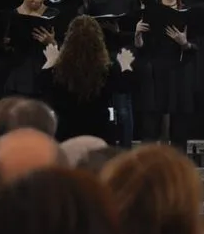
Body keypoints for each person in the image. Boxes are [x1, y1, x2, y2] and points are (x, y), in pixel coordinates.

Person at [38, 16, 135, 144]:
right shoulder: (107, 70)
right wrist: (125, 64)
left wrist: (50, 61)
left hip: (65, 135)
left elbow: (42, 88)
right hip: (100, 133)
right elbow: (124, 87)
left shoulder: (59, 70)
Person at [135, 0, 199, 146]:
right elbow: (141, 49)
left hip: (179, 73)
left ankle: (179, 169)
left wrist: (184, 43)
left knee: (179, 129)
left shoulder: (189, 14)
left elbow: (197, 47)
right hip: (155, 74)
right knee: (151, 126)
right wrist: (137, 35)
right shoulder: (149, 12)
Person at [85, 0, 142, 146]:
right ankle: (103, 148)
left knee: (123, 107)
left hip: (123, 55)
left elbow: (136, 32)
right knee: (101, 106)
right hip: (100, 55)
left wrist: (120, 31)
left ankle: (126, 150)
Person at [4, 0, 58, 97]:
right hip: (17, 78)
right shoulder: (11, 15)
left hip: (45, 75)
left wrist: (51, 42)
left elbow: (64, 48)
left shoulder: (53, 14)